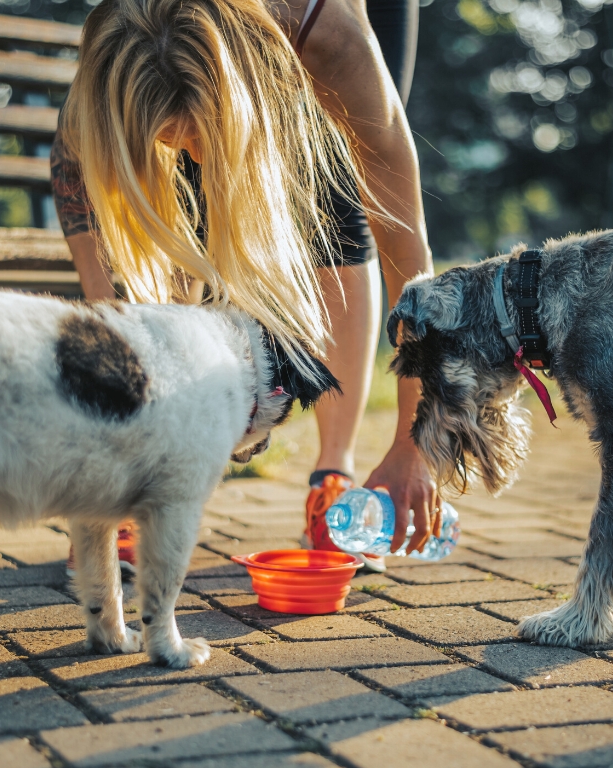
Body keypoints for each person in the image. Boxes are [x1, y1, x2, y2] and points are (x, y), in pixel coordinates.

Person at [52, 0, 440, 575]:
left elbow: (408, 259)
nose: (194, 155)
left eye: (197, 134)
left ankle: (333, 475)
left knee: (338, 199)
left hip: (309, 33)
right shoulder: (122, 47)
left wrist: (416, 444)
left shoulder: (331, 41)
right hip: (213, 63)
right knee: (186, 197)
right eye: (173, 139)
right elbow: (76, 174)